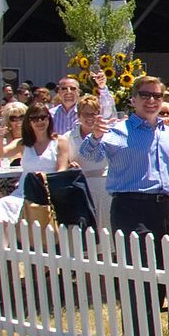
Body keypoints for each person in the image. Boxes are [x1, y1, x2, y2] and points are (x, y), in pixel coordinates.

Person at [79, 78, 169, 336]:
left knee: (160, 273)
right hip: (130, 207)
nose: (152, 100)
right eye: (145, 95)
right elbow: (89, 156)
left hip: (162, 209)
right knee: (138, 275)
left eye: (157, 96)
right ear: (133, 99)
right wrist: (95, 135)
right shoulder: (118, 131)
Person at [0, 104, 74, 227]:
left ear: (48, 119)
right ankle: (5, 245)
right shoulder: (23, 143)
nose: (39, 121)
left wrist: (46, 179)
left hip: (49, 190)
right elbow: (0, 154)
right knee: (2, 203)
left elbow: (61, 169)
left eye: (43, 117)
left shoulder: (60, 141)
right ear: (29, 122)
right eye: (34, 119)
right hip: (24, 190)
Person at [65, 93, 114, 233]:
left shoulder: (108, 136)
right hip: (78, 188)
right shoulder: (67, 137)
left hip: (103, 187)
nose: (90, 118)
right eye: (86, 114)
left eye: (94, 114)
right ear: (79, 115)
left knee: (105, 229)